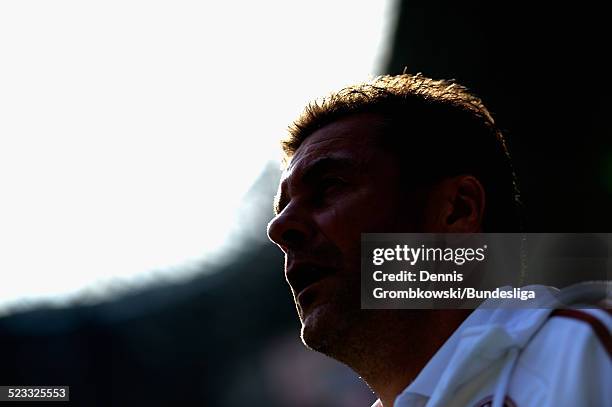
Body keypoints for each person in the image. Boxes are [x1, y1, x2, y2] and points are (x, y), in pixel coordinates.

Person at [266, 74, 611, 407]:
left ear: (457, 209)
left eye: (329, 186)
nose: (279, 227)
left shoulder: (584, 347)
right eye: (283, 207)